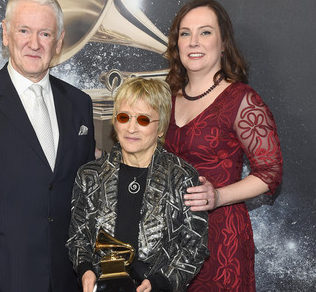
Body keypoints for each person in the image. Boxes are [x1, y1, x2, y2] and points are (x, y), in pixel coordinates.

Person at [0, 0, 95, 291]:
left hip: (68, 277)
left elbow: (86, 195)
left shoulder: (79, 104)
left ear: (59, 41)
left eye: (45, 34)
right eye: (24, 30)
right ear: (6, 33)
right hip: (0, 275)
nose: (34, 43)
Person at [163, 0, 283, 291]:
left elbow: (270, 173)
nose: (193, 42)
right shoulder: (167, 96)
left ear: (223, 43)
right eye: (185, 33)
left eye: (205, 32)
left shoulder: (241, 99)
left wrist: (217, 196)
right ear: (176, 43)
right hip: (170, 240)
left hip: (220, 240)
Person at [66, 77, 209, 292]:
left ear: (160, 127)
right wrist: (85, 269)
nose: (131, 128)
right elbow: (78, 237)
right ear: (114, 122)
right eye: (124, 117)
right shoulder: (90, 175)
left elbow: (194, 246)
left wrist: (160, 283)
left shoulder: (182, 177)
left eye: (143, 120)